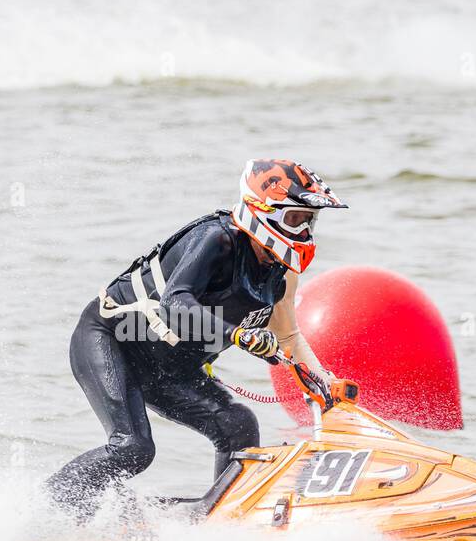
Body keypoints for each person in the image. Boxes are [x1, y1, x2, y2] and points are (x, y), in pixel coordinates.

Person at [46, 159, 350, 517]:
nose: (305, 231)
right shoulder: (216, 240)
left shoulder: (282, 273)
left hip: (171, 368)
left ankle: (220, 524)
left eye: (309, 221)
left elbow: (289, 335)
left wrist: (325, 382)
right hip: (112, 341)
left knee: (238, 425)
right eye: (297, 219)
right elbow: (175, 304)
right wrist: (237, 336)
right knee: (133, 448)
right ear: (263, 212)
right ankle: (46, 511)